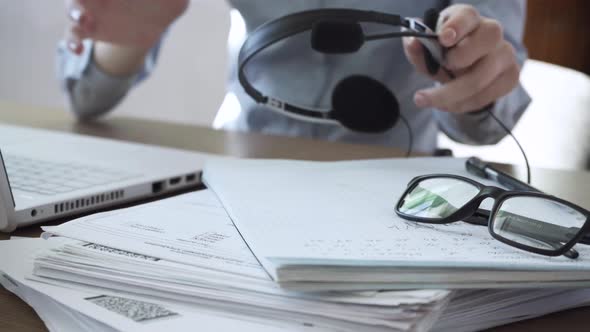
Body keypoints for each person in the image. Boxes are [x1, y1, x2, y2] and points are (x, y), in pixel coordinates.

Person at [59, 0, 530, 153]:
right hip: (238, 168)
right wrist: (132, 31)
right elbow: (86, 98)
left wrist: (472, 76)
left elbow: (488, 121)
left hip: (397, 180)